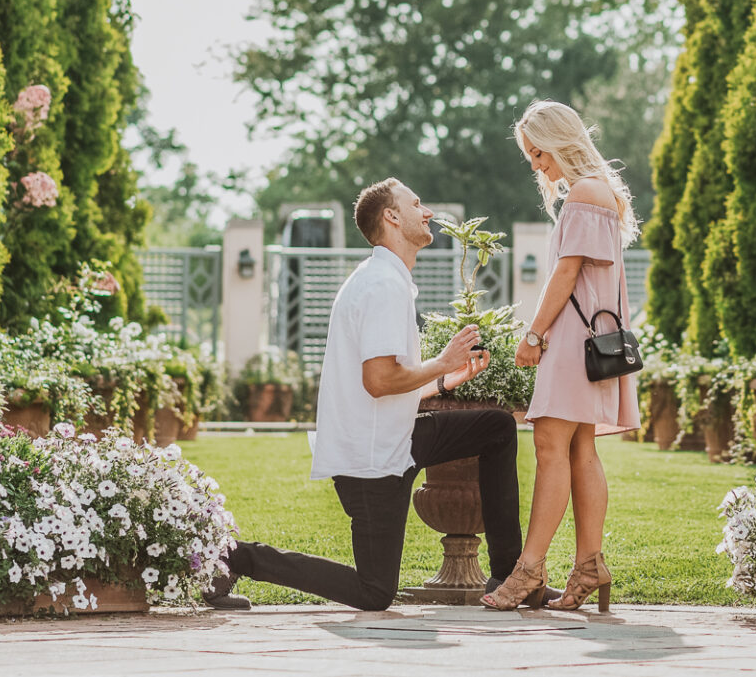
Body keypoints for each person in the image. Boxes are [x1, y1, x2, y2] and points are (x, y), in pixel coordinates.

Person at [205, 178, 532, 612]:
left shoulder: (385, 278)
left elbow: (385, 386)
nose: (428, 212)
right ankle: (237, 557)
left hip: (396, 439)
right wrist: (441, 362)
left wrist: (442, 382)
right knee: (374, 592)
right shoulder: (382, 285)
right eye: (417, 204)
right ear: (392, 217)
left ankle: (509, 575)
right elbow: (378, 381)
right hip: (371, 461)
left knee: (495, 428)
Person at [481, 100, 640, 613]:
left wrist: (533, 334)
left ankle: (529, 569)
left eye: (539, 152)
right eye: (530, 155)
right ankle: (589, 564)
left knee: (551, 447)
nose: (535, 164)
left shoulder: (585, 195)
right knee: (579, 449)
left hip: (573, 342)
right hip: (592, 342)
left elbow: (566, 273)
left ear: (560, 143)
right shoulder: (597, 192)